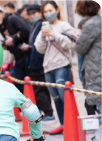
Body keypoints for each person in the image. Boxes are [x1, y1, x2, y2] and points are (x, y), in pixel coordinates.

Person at [34, 1, 76, 134]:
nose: (48, 14)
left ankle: (72, 125)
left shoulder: (64, 25)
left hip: (61, 65)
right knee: (56, 99)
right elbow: (39, 49)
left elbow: (71, 43)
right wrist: (42, 36)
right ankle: (63, 125)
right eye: (45, 12)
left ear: (57, 10)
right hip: (48, 67)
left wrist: (54, 34)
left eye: (50, 10)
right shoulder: (43, 27)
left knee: (65, 96)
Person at [21, 4, 55, 123]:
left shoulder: (42, 24)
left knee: (40, 90)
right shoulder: (35, 25)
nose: (32, 16)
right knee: (41, 90)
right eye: (30, 14)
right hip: (34, 61)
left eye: (34, 13)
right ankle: (47, 112)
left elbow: (41, 46)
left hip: (39, 63)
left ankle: (48, 113)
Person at [0, 4, 31, 93]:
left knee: (29, 86)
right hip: (18, 57)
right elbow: (11, 42)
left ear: (3, 12)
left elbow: (26, 30)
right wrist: (5, 46)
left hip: (28, 56)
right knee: (18, 86)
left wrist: (13, 38)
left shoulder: (12, 19)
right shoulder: (1, 26)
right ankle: (22, 106)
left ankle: (34, 106)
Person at [74, 0, 101, 119]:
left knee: (99, 106)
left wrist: (77, 39)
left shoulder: (90, 25)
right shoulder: (99, 21)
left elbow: (80, 48)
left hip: (96, 69)